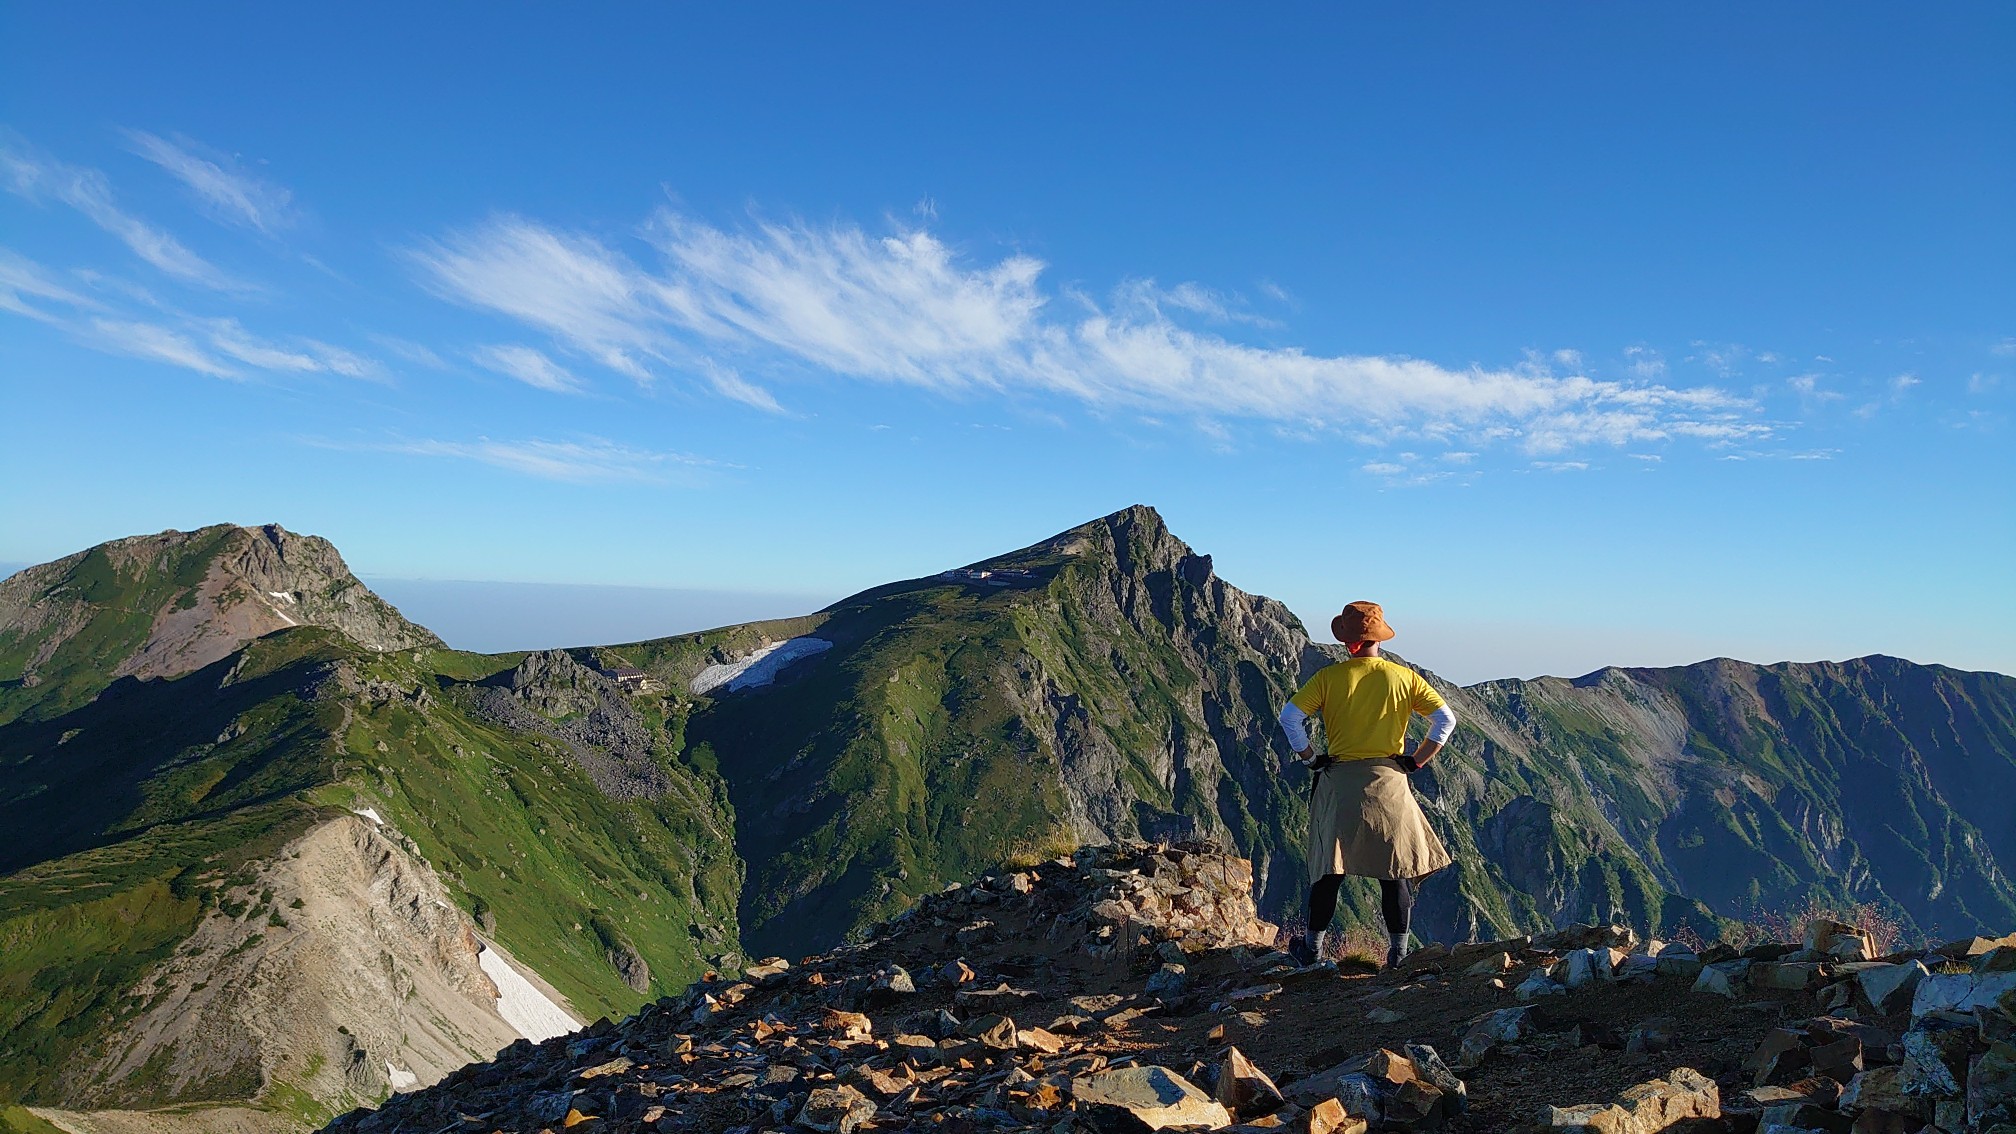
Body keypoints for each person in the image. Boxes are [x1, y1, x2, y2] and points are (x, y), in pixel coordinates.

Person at [1279, 600, 1457, 969]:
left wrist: (1311, 758)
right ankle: (1398, 956)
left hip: (1340, 783)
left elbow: (1290, 718)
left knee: (1329, 871)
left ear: (1349, 642)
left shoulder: (1329, 678)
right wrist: (1417, 760)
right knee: (1395, 873)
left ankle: (1312, 952)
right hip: (1389, 783)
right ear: (1379, 639)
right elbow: (1445, 721)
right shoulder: (1404, 678)